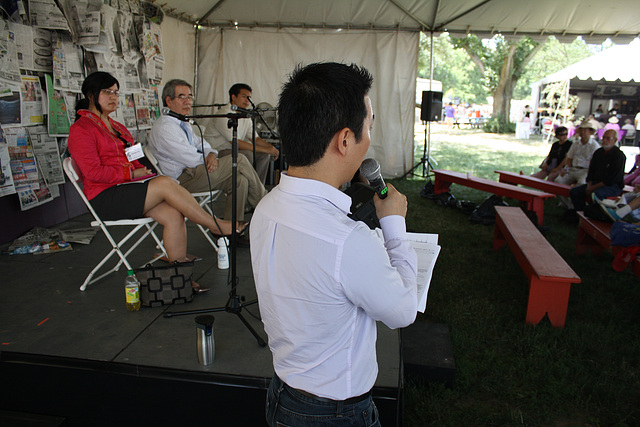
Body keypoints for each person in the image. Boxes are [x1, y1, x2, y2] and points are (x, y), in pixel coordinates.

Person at [250, 62, 418, 426]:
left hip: (283, 393)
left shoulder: (265, 208)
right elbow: (403, 311)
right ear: (344, 140)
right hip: (335, 413)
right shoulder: (347, 240)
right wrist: (393, 223)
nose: (369, 138)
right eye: (368, 128)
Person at [68, 72, 241, 293]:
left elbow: (133, 155)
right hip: (105, 197)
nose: (113, 97)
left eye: (115, 92)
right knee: (166, 183)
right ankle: (214, 225)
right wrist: (130, 174)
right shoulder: (82, 129)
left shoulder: (117, 127)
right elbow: (92, 173)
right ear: (91, 95)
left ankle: (181, 278)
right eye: (106, 92)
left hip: (126, 190)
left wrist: (144, 168)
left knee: (173, 213)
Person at [149, 79, 267, 224]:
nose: (188, 102)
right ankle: (263, 203)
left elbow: (202, 142)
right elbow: (190, 158)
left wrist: (212, 154)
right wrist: (210, 158)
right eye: (182, 97)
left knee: (239, 180)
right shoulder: (165, 128)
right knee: (240, 159)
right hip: (180, 180)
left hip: (194, 171)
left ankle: (232, 230)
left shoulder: (181, 120)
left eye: (190, 97)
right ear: (168, 100)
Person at [208, 83, 280, 184]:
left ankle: (258, 188)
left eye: (249, 97)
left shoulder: (245, 115)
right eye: (244, 97)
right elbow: (237, 143)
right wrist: (266, 149)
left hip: (234, 150)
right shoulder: (224, 114)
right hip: (218, 152)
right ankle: (246, 187)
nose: (247, 100)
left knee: (264, 155)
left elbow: (255, 139)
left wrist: (270, 148)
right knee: (247, 155)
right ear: (233, 97)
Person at [569, 129, 626, 213]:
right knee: (574, 191)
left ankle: (593, 216)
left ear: (615, 140)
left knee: (595, 195)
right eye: (604, 138)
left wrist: (592, 188)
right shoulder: (598, 152)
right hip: (595, 183)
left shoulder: (619, 156)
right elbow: (591, 171)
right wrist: (589, 185)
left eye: (608, 138)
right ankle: (581, 214)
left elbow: (612, 179)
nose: (605, 140)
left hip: (612, 186)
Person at [551, 120, 600, 208]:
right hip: (573, 169)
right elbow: (569, 158)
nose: (583, 132)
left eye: (585, 130)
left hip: (586, 171)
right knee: (558, 182)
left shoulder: (594, 146)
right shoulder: (575, 144)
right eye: (581, 130)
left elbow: (596, 163)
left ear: (590, 131)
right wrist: (566, 169)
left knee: (580, 186)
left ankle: (575, 206)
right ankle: (568, 205)